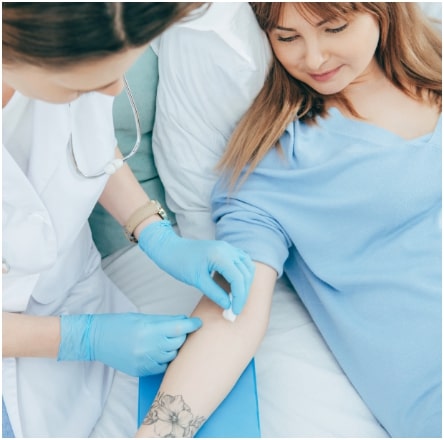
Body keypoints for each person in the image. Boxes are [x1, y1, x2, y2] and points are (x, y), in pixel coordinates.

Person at [136, 2, 441, 438]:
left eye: (334, 28)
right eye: (286, 37)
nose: (314, 58)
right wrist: (158, 433)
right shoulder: (279, 163)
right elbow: (233, 314)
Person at [2, 3, 256, 437]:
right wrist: (80, 338)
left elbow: (87, 149)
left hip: (74, 293)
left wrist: (156, 233)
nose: (116, 89)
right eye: (92, 82)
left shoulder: (65, 45)